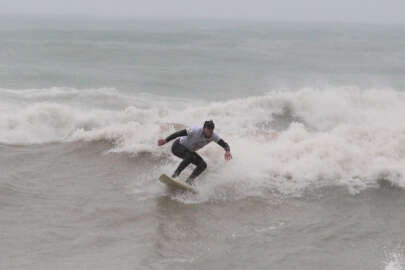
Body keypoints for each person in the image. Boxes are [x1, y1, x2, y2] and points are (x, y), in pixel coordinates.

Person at [157, 120, 232, 185]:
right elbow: (178, 133)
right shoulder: (195, 130)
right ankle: (174, 176)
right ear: (204, 128)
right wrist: (165, 140)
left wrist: (227, 151)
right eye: (208, 131)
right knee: (189, 156)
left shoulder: (213, 136)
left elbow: (224, 144)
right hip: (177, 146)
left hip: (188, 151)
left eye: (211, 132)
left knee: (203, 165)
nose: (209, 134)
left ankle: (189, 181)